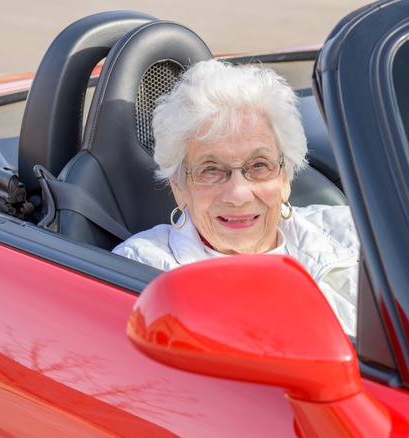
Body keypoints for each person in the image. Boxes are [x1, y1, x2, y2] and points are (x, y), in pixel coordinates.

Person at [113, 59, 359, 336]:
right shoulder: (142, 270)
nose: (238, 194)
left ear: (285, 178)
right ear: (179, 188)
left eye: (259, 166)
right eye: (211, 170)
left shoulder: (355, 234)